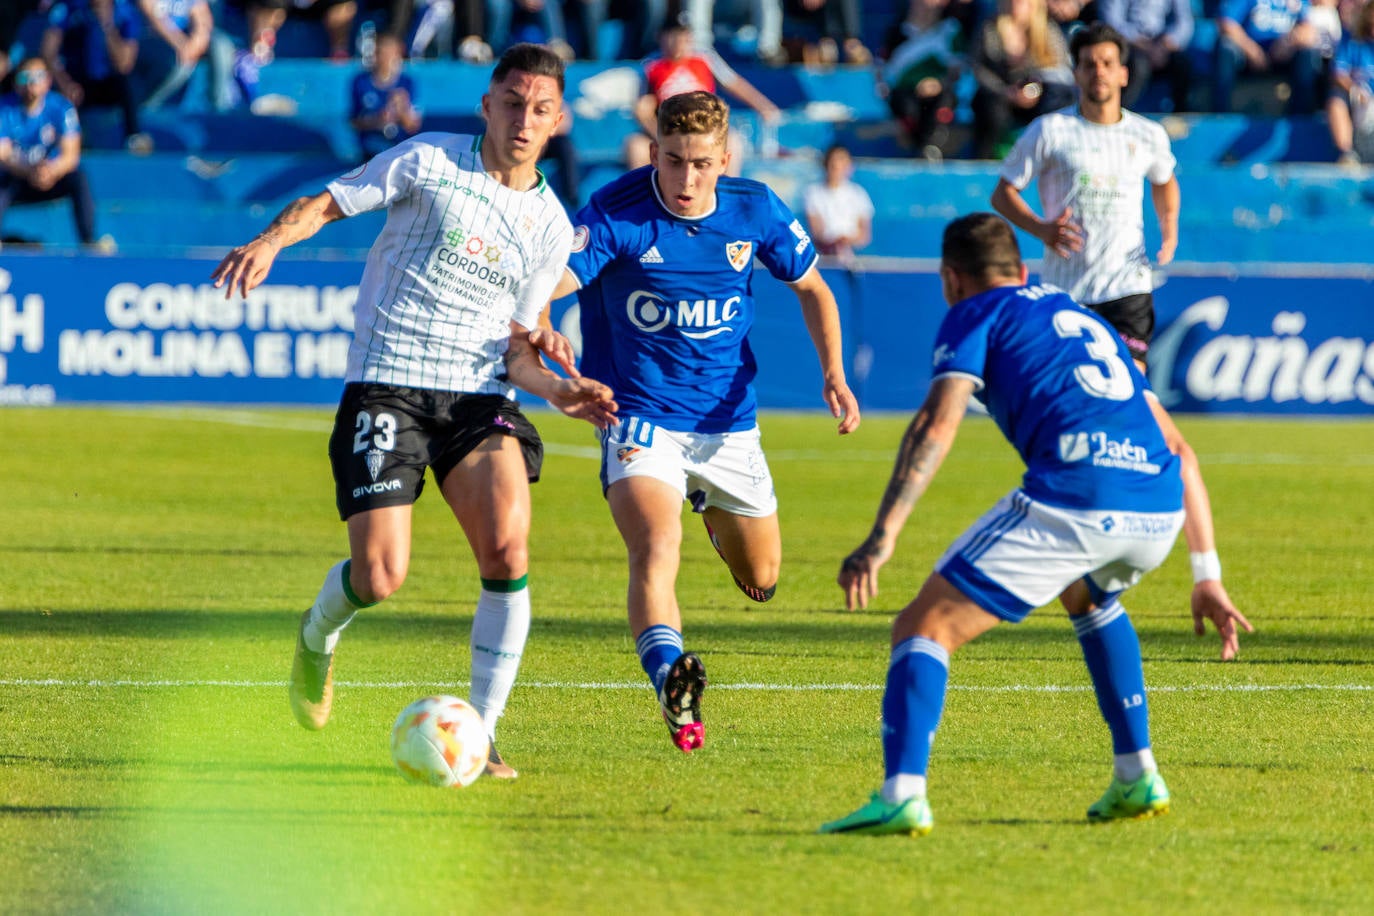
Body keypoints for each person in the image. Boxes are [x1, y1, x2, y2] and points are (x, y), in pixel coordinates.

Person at [210, 43, 618, 778]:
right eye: (514, 102)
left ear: (557, 122)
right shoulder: (428, 160)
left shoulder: (552, 226)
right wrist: (271, 240)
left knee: (508, 548)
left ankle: (484, 734)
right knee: (380, 575)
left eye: (541, 109)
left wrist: (560, 389)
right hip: (387, 384)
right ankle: (315, 635)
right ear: (488, 106)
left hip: (478, 396)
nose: (524, 119)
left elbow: (520, 349)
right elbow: (327, 202)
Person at [820, 212, 1186, 838]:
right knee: (1089, 594)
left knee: (922, 625)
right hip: (1159, 502)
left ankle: (902, 794)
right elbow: (1165, 432)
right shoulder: (1083, 314)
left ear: (950, 279)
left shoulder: (973, 311)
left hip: (1080, 495)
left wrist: (882, 539)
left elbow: (936, 425)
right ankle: (1137, 774)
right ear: (1021, 270)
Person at [549, 89, 860, 754]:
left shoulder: (755, 208)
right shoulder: (615, 210)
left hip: (728, 426)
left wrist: (833, 372)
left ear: (725, 158)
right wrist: (538, 322)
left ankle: (711, 507)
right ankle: (672, 682)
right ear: (653, 149)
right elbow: (558, 278)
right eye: (671, 161)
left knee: (763, 580)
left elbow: (814, 289)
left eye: (700, 164)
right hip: (638, 418)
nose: (685, 180)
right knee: (656, 551)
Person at [990, 21, 1254, 660]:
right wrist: (1042, 231)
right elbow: (1003, 193)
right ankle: (1093, 567)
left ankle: (1155, 572)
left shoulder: (1146, 134)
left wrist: (1168, 232)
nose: (1099, 73)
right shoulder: (1052, 131)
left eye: (1109, 63)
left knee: (1153, 438)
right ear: (1076, 71)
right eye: (1088, 64)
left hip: (1127, 301)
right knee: (1077, 439)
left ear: (1124, 72)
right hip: (1063, 306)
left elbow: (1166, 179)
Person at [624, 19, 782, 176]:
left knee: (732, 141)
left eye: (683, 36)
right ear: (660, 37)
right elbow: (642, 108)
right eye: (672, 36)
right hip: (669, 132)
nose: (678, 42)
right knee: (635, 146)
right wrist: (661, 137)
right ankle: (645, 197)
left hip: (705, 129)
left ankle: (726, 193)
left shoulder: (704, 58)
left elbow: (733, 83)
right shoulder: (651, 65)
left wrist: (762, 105)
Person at [0, 56, 111, 250]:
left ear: (48, 80)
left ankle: (89, 241)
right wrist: (29, 170)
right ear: (16, 83)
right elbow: (3, 154)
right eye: (25, 78)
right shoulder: (5, 108)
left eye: (38, 76)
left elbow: (71, 155)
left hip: (52, 177)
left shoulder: (61, 107)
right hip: (18, 178)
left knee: (78, 178)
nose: (31, 83)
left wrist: (50, 170)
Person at [969, 0, 1075, 159]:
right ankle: (988, 157)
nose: (1016, 4)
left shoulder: (1047, 30)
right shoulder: (989, 29)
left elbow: (1060, 69)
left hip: (1039, 95)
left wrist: (1033, 91)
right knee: (987, 104)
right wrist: (1006, 92)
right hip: (1001, 94)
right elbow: (978, 69)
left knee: (1060, 98)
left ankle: (1051, 155)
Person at [41, 0, 150, 151]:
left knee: (127, 84)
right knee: (57, 92)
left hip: (108, 82)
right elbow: (48, 52)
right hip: (76, 82)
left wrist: (107, 26)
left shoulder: (125, 12)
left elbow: (124, 64)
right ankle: (71, 141)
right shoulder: (70, 8)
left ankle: (134, 137)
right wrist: (65, 83)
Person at [878, 0, 966, 157]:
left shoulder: (950, 31)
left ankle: (930, 146)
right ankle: (914, 144)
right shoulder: (897, 32)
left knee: (944, 101)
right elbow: (884, 72)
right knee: (905, 106)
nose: (926, 7)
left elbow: (957, 70)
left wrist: (938, 84)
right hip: (905, 92)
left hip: (939, 91)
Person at [1213, 0, 1324, 114]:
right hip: (1247, 52)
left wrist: (1289, 42)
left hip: (1283, 53)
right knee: (1226, 48)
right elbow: (1227, 24)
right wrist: (1252, 51)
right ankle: (1220, 115)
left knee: (1307, 53)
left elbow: (1308, 30)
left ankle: (1301, 117)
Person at [135, 0, 238, 111]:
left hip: (186, 37)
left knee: (221, 46)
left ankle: (220, 108)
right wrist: (180, 43)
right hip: (153, 39)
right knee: (180, 63)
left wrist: (197, 40)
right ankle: (147, 107)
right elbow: (151, 15)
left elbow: (201, 15)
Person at [1097, 0, 1195, 112]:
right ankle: (1120, 112)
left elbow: (1184, 22)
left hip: (1162, 45)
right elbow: (1112, 22)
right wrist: (1139, 42)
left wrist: (1169, 42)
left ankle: (1180, 115)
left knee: (1182, 63)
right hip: (1131, 46)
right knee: (1137, 66)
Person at [349, 31, 421, 160]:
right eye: (381, 53)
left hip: (400, 151)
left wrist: (402, 109)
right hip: (370, 151)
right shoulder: (361, 81)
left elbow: (413, 125)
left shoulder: (407, 83)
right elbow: (353, 121)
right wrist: (376, 120)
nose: (385, 60)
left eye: (390, 54)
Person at [803, 143, 874, 263]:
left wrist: (848, 241)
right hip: (824, 258)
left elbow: (865, 234)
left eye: (842, 161)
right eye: (833, 162)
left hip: (854, 258)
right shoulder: (813, 193)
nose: (837, 166)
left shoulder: (859, 193)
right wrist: (834, 243)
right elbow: (816, 231)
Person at [1327, 0, 1374, 165]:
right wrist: (1355, 89)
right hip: (1357, 99)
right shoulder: (1352, 38)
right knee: (1336, 99)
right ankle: (1346, 155)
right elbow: (1338, 73)